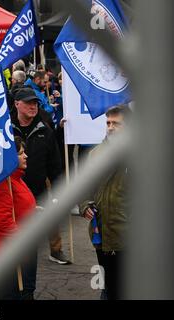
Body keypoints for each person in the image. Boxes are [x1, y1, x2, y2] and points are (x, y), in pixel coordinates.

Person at [12, 88, 71, 265]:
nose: (33, 106)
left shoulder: (44, 129)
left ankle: (56, 250)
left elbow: (54, 163)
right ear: (17, 104)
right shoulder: (6, 127)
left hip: (39, 183)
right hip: (14, 184)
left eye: (35, 103)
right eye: (28, 103)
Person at [80, 105, 131, 300]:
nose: (110, 127)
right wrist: (85, 205)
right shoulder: (95, 154)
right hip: (102, 233)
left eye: (116, 124)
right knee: (109, 286)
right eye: (108, 123)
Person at [0, 136, 37, 300]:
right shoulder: (2, 182)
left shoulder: (14, 178)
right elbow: (3, 222)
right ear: (9, 158)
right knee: (8, 294)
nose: (26, 156)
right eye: (21, 153)